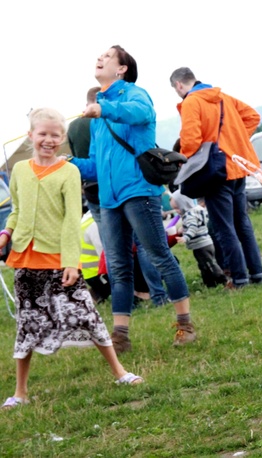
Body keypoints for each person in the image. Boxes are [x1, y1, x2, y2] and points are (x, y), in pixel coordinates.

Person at [1, 108, 143, 409]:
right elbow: (16, 210)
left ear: (62, 138)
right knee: (27, 324)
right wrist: (6, 234)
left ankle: (120, 372)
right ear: (31, 136)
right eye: (42, 134)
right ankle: (20, 393)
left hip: (60, 261)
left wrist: (71, 262)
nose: (48, 140)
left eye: (55, 135)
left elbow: (70, 220)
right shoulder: (21, 171)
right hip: (25, 259)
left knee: (87, 316)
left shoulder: (69, 172)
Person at [70, 45, 196, 354]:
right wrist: (68, 164)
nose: (99, 58)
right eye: (98, 56)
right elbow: (97, 166)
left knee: (159, 256)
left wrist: (104, 109)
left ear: (122, 68)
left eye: (107, 56)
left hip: (140, 191)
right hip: (109, 199)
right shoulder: (98, 116)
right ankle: (121, 337)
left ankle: (186, 325)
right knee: (117, 267)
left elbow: (140, 114)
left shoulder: (134, 95)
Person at [169, 67, 262, 289]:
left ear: (179, 85)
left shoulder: (192, 101)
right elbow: (253, 117)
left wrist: (190, 158)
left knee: (224, 226)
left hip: (215, 172)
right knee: (242, 222)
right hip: (238, 166)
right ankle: (257, 273)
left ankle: (239, 278)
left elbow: (191, 140)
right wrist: (234, 142)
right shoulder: (221, 96)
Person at [170, 190, 227, 287]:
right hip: (207, 242)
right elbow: (198, 223)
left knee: (209, 264)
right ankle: (209, 282)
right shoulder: (198, 210)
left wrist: (185, 237)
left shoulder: (189, 215)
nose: (177, 211)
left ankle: (222, 279)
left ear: (184, 203)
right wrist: (184, 228)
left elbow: (193, 228)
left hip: (200, 245)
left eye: (177, 208)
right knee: (204, 263)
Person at [67, 86, 101, 219]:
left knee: (106, 236)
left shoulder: (74, 126)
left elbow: (74, 156)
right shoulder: (108, 120)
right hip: (114, 183)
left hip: (90, 187)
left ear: (87, 104)